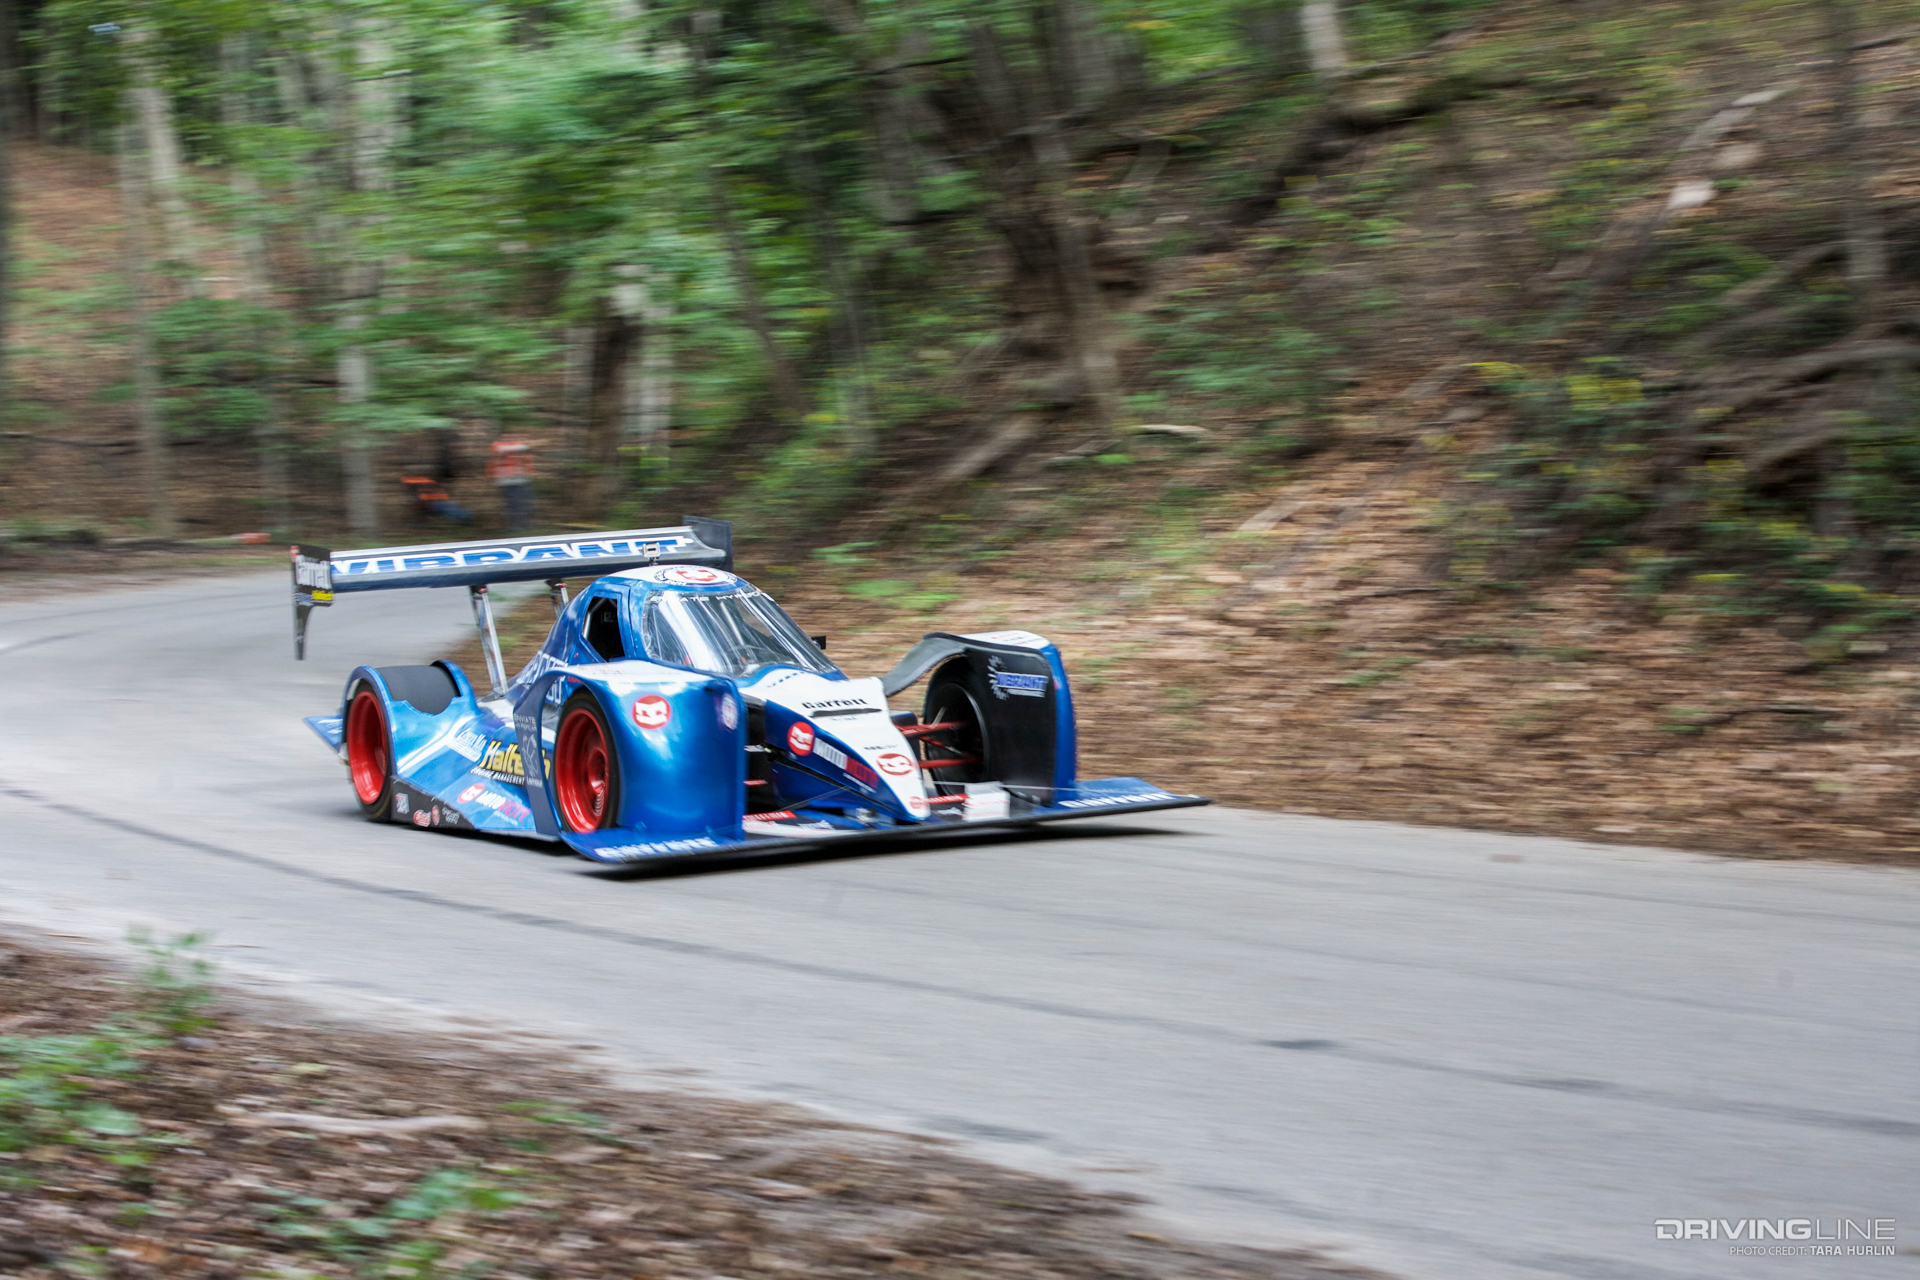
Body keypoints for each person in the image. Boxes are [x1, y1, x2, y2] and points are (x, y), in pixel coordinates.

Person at [488, 435, 535, 533]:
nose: (509, 438)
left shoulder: (517, 446)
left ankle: (522, 524)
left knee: (522, 503)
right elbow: (500, 449)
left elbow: (524, 448)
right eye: (506, 436)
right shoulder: (497, 446)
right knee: (511, 504)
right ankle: (512, 525)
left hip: (520, 480)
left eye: (511, 436)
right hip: (506, 481)